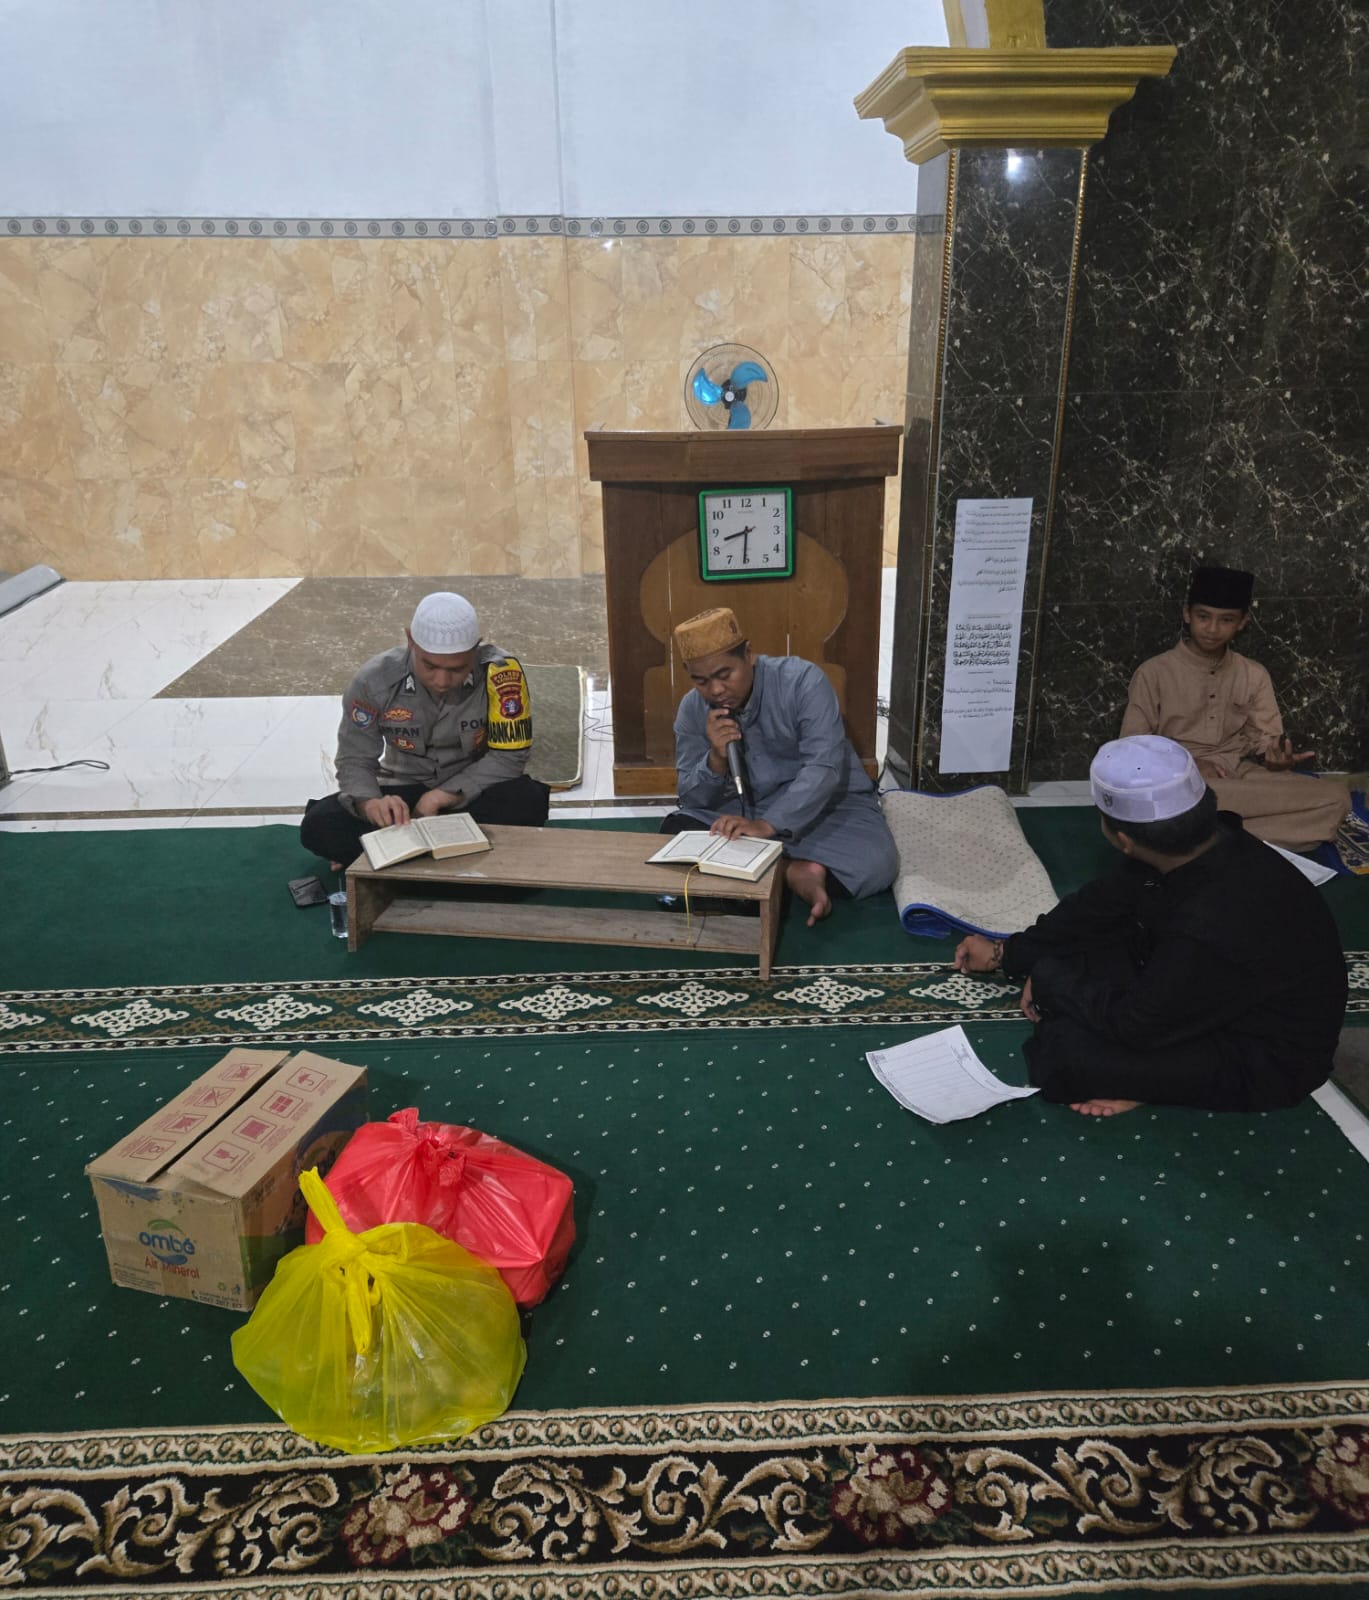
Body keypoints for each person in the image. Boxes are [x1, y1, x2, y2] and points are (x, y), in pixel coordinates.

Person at [953, 735, 1347, 1117]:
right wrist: (1009, 953)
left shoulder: (1212, 917)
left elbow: (1135, 1026)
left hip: (1262, 1053)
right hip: (1208, 987)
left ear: (1124, 839)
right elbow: (1096, 908)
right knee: (1092, 944)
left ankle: (1145, 1084)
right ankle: (1142, 1067)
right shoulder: (1212, 840)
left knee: (1065, 1057)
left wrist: (1051, 977)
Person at [665, 606, 899, 925]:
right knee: (674, 831)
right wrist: (716, 760)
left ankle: (751, 873)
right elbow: (691, 798)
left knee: (877, 863)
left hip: (826, 810)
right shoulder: (693, 709)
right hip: (742, 812)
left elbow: (824, 768)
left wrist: (769, 825)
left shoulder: (801, 681)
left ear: (748, 655)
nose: (715, 690)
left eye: (724, 675)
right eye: (701, 681)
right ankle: (792, 871)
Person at [301, 591, 549, 866]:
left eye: (457, 669)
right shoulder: (374, 681)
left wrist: (445, 795)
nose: (442, 680)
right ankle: (461, 863)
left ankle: (389, 864)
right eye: (430, 666)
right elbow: (355, 759)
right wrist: (371, 803)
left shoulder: (502, 674)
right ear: (410, 641)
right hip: (402, 794)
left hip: (471, 793)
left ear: (476, 648)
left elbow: (509, 756)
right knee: (319, 824)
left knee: (528, 801)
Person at [1120, 564, 1351, 852]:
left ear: (1242, 622)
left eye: (1226, 620)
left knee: (1337, 798)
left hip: (1238, 777)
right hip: (1178, 782)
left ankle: (1196, 839)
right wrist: (1188, 766)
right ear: (1187, 614)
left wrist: (1276, 761)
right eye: (1204, 617)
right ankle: (1242, 836)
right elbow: (1130, 750)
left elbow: (1266, 743)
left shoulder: (1253, 674)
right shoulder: (1153, 672)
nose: (1213, 629)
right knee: (1170, 799)